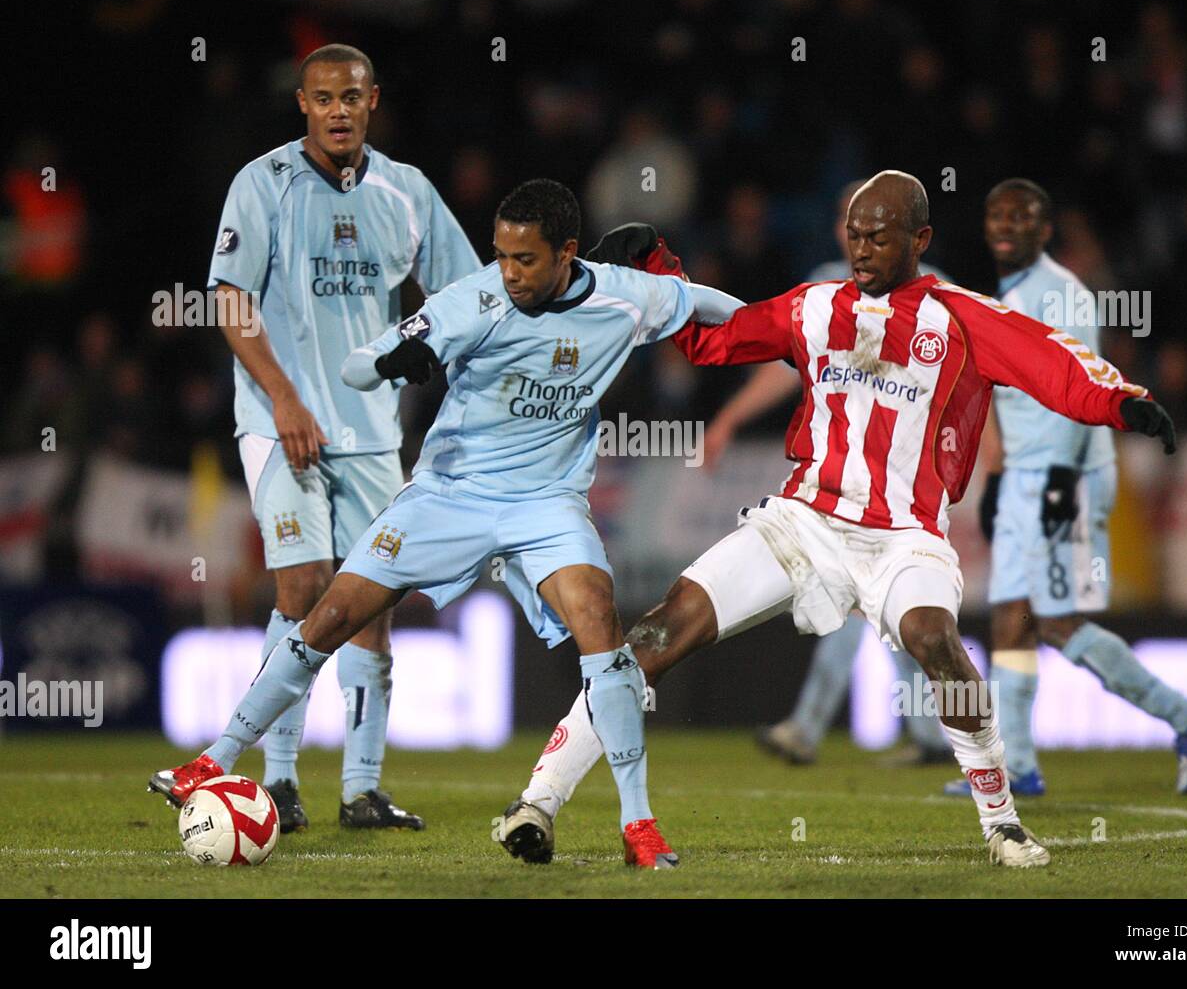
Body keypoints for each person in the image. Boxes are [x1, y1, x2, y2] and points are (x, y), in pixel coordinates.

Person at [504, 171, 1179, 869]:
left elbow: (1050, 361)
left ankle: (1002, 821)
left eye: (879, 237)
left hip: (905, 537)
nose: (861, 250)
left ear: (919, 239)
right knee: (657, 631)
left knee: (935, 640)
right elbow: (718, 340)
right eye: (854, 235)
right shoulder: (814, 305)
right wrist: (659, 268)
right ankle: (538, 801)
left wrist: (1122, 402)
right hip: (804, 522)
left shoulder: (960, 316)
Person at [151, 179, 747, 868]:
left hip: (545, 502)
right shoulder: (474, 300)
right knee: (330, 617)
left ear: (567, 254)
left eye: (526, 259)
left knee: (599, 621)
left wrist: (783, 332)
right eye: (501, 255)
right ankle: (215, 757)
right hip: (449, 495)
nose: (509, 272)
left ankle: (638, 825)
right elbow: (356, 367)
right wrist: (394, 361)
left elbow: (707, 305)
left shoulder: (622, 293)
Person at [205, 44, 480, 830]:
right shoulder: (263, 184)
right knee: (302, 588)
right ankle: (279, 781)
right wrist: (286, 398)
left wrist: (437, 348)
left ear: (372, 102)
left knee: (368, 605)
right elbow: (229, 303)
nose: (336, 111)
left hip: (369, 431)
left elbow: (464, 295)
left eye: (349, 98)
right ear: (302, 104)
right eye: (321, 98)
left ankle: (361, 790)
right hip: (278, 421)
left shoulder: (408, 192)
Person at [943, 178, 1187, 799]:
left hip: (1060, 474)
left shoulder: (1061, 294)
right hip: (1027, 474)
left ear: (1045, 231)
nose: (1006, 226)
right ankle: (1016, 764)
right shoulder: (1008, 296)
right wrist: (999, 480)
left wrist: (1059, 481)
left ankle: (1186, 715)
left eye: (1022, 217)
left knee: (1056, 622)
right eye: (997, 216)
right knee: (1011, 620)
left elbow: (1083, 384)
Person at [703, 177, 951, 767]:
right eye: (850, 223)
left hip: (904, 487)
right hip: (842, 484)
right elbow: (783, 368)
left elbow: (973, 377)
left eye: (871, 225)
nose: (859, 239)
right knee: (867, 607)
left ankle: (831, 730)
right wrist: (729, 417)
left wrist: (981, 461)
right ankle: (913, 736)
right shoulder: (826, 291)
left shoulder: (938, 298)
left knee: (883, 609)